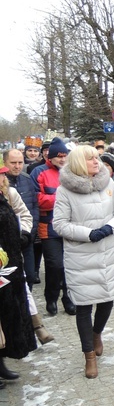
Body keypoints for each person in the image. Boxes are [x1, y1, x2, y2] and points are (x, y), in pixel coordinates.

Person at [53, 146, 114, 378]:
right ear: (77, 163)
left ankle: (97, 334)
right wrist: (87, 233)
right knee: (84, 307)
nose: (97, 161)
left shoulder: (109, 183)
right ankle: (89, 356)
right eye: (91, 158)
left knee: (107, 301)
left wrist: (109, 228)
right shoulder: (65, 190)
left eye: (97, 158)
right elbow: (60, 224)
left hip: (107, 251)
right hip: (81, 255)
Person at [0, 159, 38, 388]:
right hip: (3, 264)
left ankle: (1, 360)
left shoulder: (7, 195)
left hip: (10, 265)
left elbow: (23, 217)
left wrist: (23, 236)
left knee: (7, 314)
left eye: (3, 175)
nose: (3, 178)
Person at [30, 137, 76, 316]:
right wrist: (62, 199)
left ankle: (68, 298)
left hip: (70, 227)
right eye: (59, 156)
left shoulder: (72, 172)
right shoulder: (39, 172)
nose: (62, 159)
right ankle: (51, 297)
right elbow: (38, 200)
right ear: (51, 157)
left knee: (70, 265)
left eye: (65, 156)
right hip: (48, 227)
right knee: (55, 265)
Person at [4, 149, 39, 288]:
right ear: (5, 162)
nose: (17, 166)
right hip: (7, 241)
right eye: (13, 163)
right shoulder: (3, 183)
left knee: (30, 275)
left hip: (26, 235)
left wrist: (29, 231)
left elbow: (34, 206)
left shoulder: (26, 178)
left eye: (20, 162)